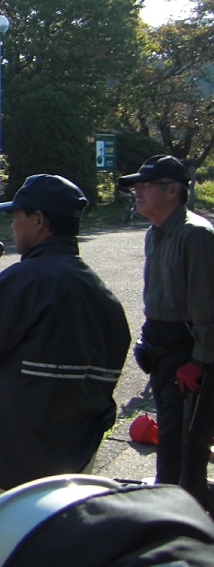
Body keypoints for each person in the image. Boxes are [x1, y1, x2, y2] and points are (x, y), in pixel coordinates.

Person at [0, 174, 131, 509]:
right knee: (61, 536)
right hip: (76, 455)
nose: (12, 226)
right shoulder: (101, 293)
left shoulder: (24, 279)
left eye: (16, 216)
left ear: (38, 220)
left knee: (8, 537)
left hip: (15, 457)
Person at [119, 154, 214, 509]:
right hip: (161, 353)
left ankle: (181, 520)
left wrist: (199, 362)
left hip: (188, 356)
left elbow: (207, 305)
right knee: (170, 441)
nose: (137, 192)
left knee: (186, 448)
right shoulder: (154, 233)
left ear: (172, 190)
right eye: (136, 186)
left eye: (146, 186)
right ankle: (169, 511)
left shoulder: (196, 235)